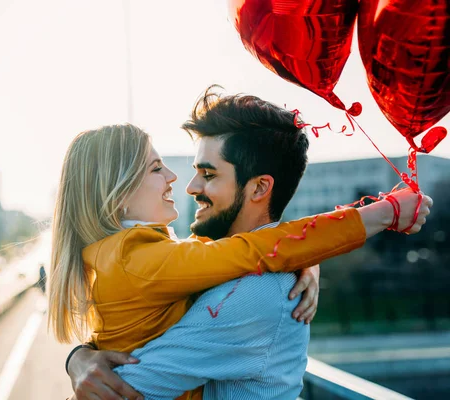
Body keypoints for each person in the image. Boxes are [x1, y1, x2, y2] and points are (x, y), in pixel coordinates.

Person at [64, 87, 433, 400]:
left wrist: (314, 249)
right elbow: (256, 250)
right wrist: (79, 356)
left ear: (259, 188)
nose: (188, 186)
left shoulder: (252, 294)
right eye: (161, 169)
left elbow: (122, 389)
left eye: (208, 175)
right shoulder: (206, 263)